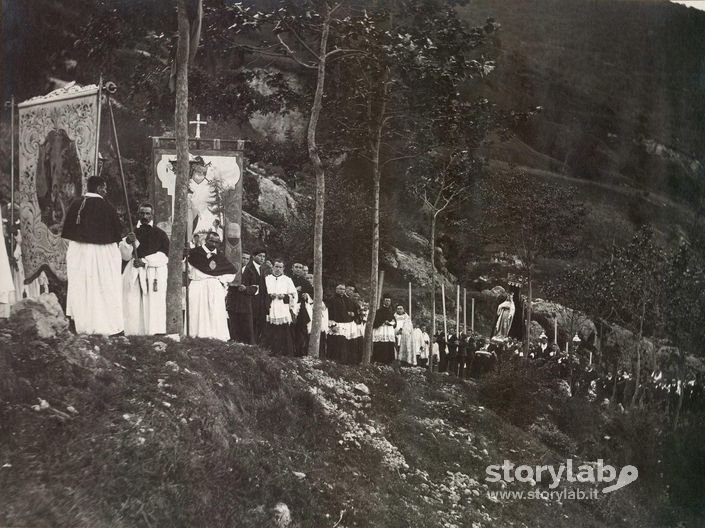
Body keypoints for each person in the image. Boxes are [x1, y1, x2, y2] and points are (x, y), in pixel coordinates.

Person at [61, 176, 123, 335]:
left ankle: (83, 325)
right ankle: (104, 325)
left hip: (79, 252)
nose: (106, 191)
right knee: (103, 288)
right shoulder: (107, 207)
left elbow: (70, 232)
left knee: (82, 288)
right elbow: (117, 232)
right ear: (98, 188)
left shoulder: (76, 205)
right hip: (103, 254)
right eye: (105, 188)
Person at [119, 203, 169, 335]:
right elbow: (125, 256)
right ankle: (133, 332)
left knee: (152, 302)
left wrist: (145, 262)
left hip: (153, 272)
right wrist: (128, 243)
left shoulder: (160, 234)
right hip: (134, 269)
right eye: (142, 213)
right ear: (138, 214)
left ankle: (153, 331)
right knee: (133, 301)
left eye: (147, 213)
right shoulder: (132, 233)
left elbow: (164, 256)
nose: (145, 216)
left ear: (152, 215)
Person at [187, 231, 236, 340]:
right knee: (197, 310)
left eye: (216, 242)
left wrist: (219, 278)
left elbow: (231, 272)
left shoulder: (220, 255)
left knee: (215, 311)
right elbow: (187, 268)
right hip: (198, 285)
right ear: (205, 240)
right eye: (211, 241)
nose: (213, 244)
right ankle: (195, 335)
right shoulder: (195, 253)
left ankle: (216, 337)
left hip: (214, 286)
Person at [264, 258, 298, 356]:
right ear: (272, 267)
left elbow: (294, 295)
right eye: (276, 266)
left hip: (282, 309)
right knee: (270, 331)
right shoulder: (267, 279)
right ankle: (269, 352)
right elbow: (262, 293)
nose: (278, 269)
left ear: (283, 269)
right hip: (270, 308)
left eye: (280, 267)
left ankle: (284, 354)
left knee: (283, 332)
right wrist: (270, 295)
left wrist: (285, 296)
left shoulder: (287, 280)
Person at [225, 251, 259, 344]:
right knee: (233, 325)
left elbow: (256, 288)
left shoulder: (251, 272)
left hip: (245, 304)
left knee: (246, 326)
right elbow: (225, 282)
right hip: (233, 302)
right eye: (243, 258)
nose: (245, 260)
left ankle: (247, 345)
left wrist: (246, 288)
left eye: (247, 259)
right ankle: (233, 343)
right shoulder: (232, 270)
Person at [291, 262, 314, 356]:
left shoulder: (305, 282)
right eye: (296, 267)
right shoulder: (287, 279)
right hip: (289, 307)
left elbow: (312, 294)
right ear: (292, 268)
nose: (298, 269)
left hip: (301, 309)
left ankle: (299, 352)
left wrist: (307, 295)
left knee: (301, 330)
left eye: (300, 267)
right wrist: (295, 290)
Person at [327, 283, 353, 362]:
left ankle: (343, 360)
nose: (342, 291)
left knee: (344, 342)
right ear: (336, 290)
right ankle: (334, 360)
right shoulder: (332, 299)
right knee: (335, 342)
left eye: (343, 289)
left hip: (345, 323)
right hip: (336, 323)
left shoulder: (346, 299)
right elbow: (330, 313)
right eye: (340, 289)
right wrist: (332, 324)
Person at [372, 294, 396, 364]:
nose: (388, 302)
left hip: (389, 331)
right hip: (381, 331)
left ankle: (389, 363)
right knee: (381, 346)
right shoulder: (379, 311)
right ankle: (379, 362)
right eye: (386, 300)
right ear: (383, 301)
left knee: (389, 346)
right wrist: (383, 321)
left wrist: (393, 323)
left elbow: (394, 321)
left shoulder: (392, 311)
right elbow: (376, 321)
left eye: (389, 301)